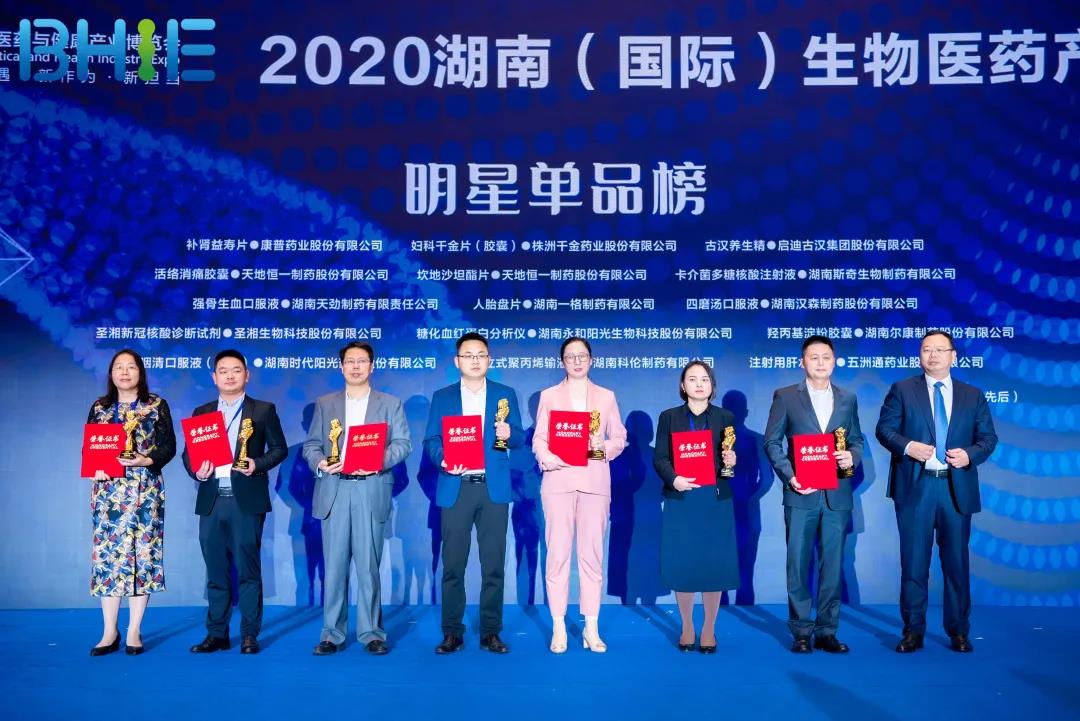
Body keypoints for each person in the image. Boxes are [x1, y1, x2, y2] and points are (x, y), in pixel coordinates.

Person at [876, 330, 998, 653]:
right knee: (914, 564)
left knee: (956, 564)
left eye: (940, 350)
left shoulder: (972, 395)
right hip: (916, 487)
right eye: (926, 349)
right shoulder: (903, 390)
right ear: (920, 355)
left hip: (955, 488)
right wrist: (908, 446)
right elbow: (884, 429)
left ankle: (958, 631)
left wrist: (970, 454)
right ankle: (912, 631)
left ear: (953, 356)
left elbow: (988, 438)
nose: (933, 355)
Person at [303, 342, 411, 655]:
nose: (355, 367)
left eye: (361, 361)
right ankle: (331, 634)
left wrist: (378, 460)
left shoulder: (390, 404)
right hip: (335, 489)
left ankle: (372, 633)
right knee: (335, 567)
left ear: (371, 366)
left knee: (368, 567)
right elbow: (312, 446)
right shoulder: (325, 404)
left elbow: (403, 444)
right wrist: (321, 462)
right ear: (341, 367)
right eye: (350, 361)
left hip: (370, 486)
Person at [423, 332, 524, 654]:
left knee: (493, 565)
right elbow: (431, 440)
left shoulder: (505, 394)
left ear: (489, 360)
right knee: (453, 566)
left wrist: (511, 433)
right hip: (457, 487)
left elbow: (519, 438)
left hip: (493, 490)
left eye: (481, 354)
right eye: (468, 355)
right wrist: (443, 458)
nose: (475, 360)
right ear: (457, 361)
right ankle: (452, 631)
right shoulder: (443, 397)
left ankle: (491, 631)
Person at [181, 350, 287, 655]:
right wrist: (196, 471)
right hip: (212, 500)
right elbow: (189, 454)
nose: (230, 375)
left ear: (247, 375)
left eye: (236, 370)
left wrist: (257, 463)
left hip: (246, 501)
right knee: (215, 571)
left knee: (248, 571)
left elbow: (279, 449)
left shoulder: (263, 410)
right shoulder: (202, 412)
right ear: (214, 377)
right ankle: (217, 633)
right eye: (223, 371)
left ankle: (250, 634)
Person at [763, 335, 864, 654]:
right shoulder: (785, 396)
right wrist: (790, 476)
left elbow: (856, 440)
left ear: (834, 361)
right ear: (803, 362)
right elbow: (772, 442)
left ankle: (827, 631)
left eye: (826, 357)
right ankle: (801, 631)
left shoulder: (848, 398)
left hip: (836, 493)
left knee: (832, 564)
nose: (821, 362)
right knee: (798, 563)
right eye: (814, 357)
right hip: (801, 492)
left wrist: (851, 457)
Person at [532, 337, 627, 653]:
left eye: (582, 356)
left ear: (591, 360)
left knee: (591, 557)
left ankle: (591, 627)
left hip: (594, 483)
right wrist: (547, 457)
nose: (576, 361)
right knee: (557, 556)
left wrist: (603, 448)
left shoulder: (606, 396)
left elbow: (619, 437)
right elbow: (539, 438)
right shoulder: (548, 396)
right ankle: (558, 626)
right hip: (558, 482)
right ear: (562, 361)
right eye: (570, 356)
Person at [86, 349, 176, 656]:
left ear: (141, 372)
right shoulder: (100, 407)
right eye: (118, 367)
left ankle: (134, 630)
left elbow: (168, 446)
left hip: (144, 490)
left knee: (143, 556)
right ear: (111, 373)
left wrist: (145, 460)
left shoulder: (155, 405)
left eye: (131, 367)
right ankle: (108, 631)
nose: (124, 372)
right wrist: (94, 466)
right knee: (108, 558)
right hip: (108, 493)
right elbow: (90, 447)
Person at [653, 360, 739, 653]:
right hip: (682, 498)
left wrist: (731, 461)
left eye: (705, 379)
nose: (699, 384)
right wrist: (674, 479)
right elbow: (660, 458)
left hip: (715, 498)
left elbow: (728, 457)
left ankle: (709, 628)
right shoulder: (669, 417)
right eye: (692, 378)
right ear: (682, 385)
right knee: (685, 562)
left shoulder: (725, 417)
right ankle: (687, 626)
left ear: (712, 385)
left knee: (713, 564)